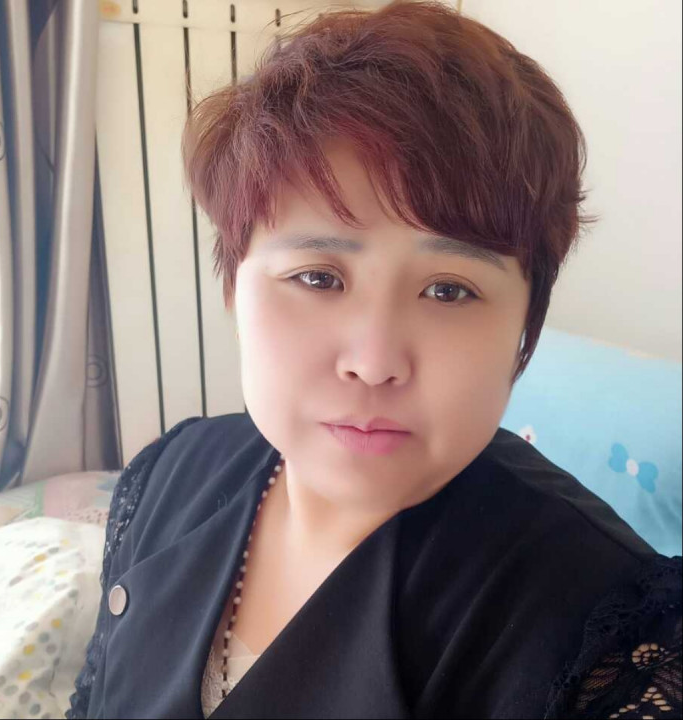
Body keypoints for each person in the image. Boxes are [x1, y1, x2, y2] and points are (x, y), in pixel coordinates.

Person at [67, 1, 681, 718]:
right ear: (234, 288)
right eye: (318, 277)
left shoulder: (607, 639)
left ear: (524, 325)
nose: (374, 361)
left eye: (449, 290)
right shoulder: (167, 476)